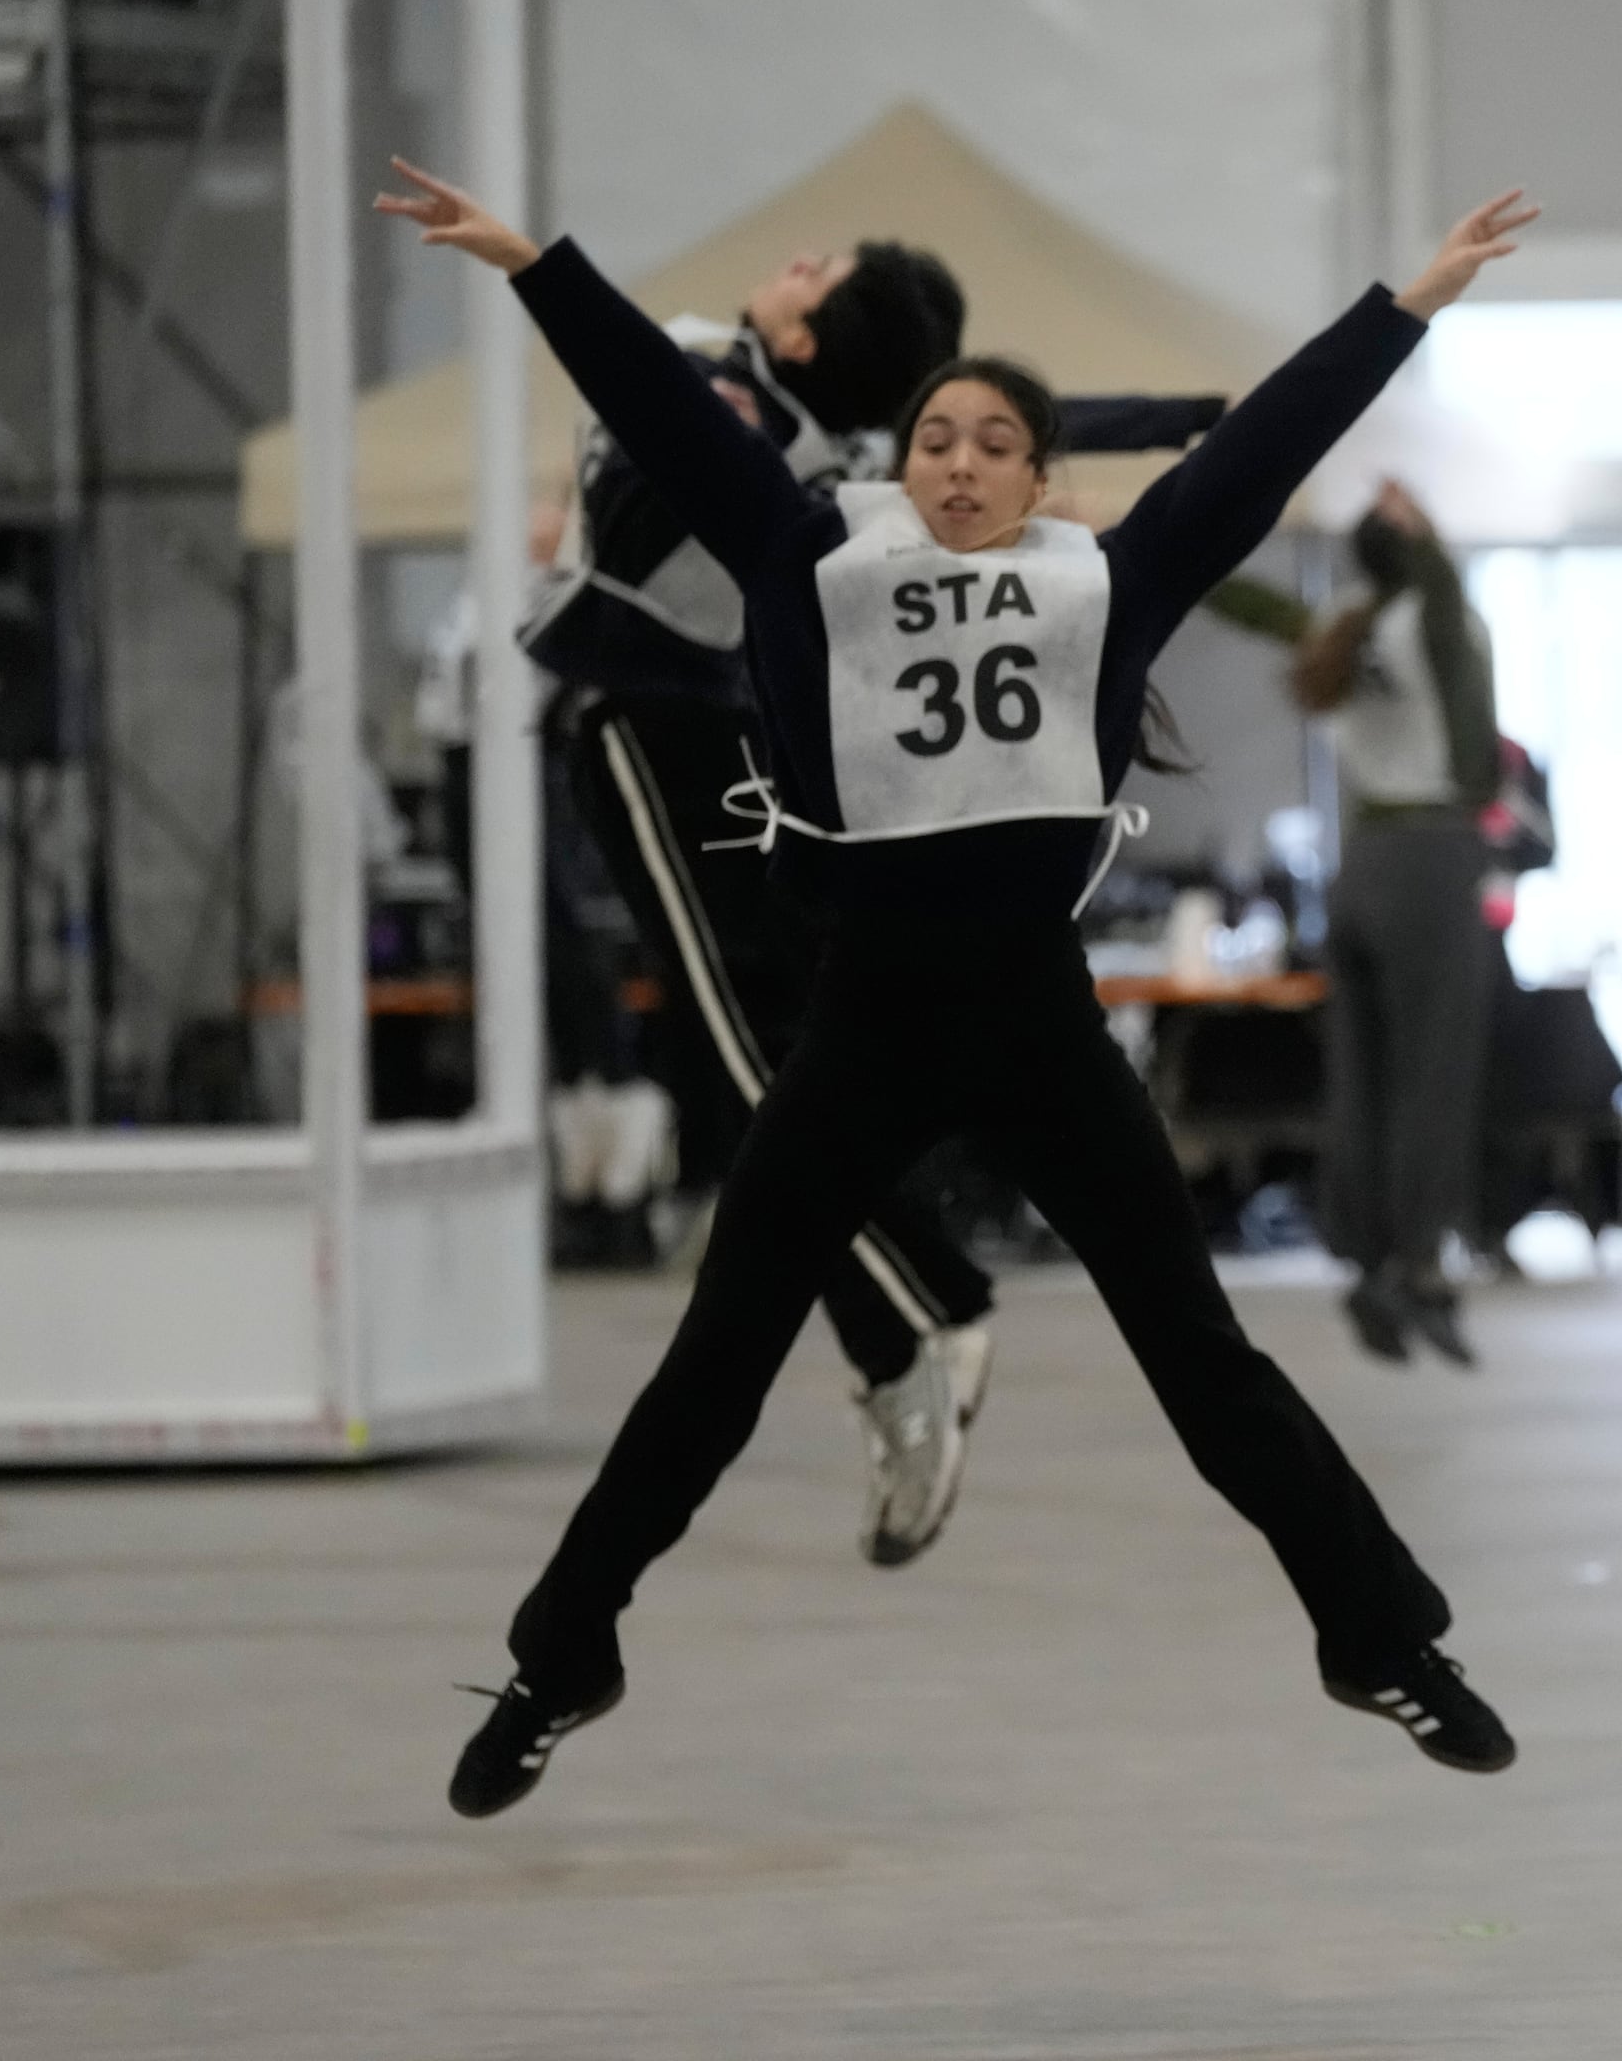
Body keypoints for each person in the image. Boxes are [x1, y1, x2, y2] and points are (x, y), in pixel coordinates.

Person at [380, 157, 1536, 1817]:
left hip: (1039, 1029)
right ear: (901, 462)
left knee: (1207, 1364)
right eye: (939, 440)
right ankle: (563, 1660)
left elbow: (1268, 440)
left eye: (999, 443)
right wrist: (527, 263)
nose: (966, 463)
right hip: (864, 1025)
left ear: (1038, 475)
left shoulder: (1107, 583)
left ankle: (1383, 1643)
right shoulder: (805, 557)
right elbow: (661, 398)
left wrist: (1407, 306)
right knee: (713, 1368)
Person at [525, 231, 1233, 1560]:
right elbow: (1045, 416)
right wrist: (1187, 418)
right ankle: (903, 1314)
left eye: (815, 274)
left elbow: (641, 438)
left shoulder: (729, 388)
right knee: (771, 1063)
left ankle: (921, 1302)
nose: (798, 259)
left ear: (800, 342)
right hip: (740, 748)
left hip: (659, 727)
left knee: (742, 1063)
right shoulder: (856, 454)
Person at [1210, 483, 1505, 1365]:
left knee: (1363, 1076)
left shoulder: (1342, 625)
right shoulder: (1435, 619)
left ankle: (1365, 1255)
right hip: (1433, 859)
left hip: (1362, 866)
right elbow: (1447, 608)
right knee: (1433, 1074)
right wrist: (1430, 528)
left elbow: (1259, 606)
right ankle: (1419, 1262)